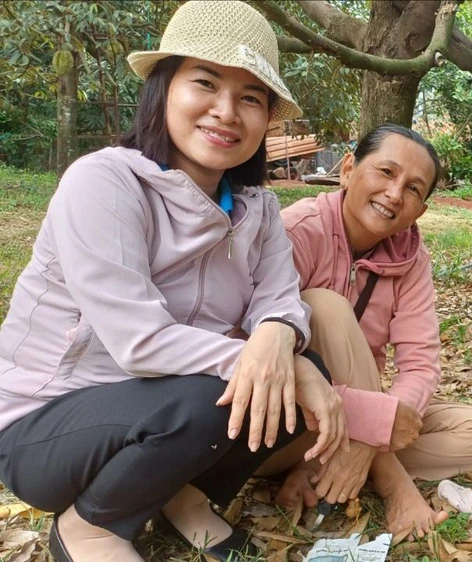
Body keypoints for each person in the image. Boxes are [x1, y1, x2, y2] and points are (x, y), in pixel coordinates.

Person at [0, 2, 347, 561]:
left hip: (165, 406)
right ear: (163, 88)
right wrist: (266, 362)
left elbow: (281, 299)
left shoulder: (257, 210)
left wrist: (282, 341)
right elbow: (138, 342)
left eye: (251, 97)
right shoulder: (105, 182)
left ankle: (180, 496)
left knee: (294, 378)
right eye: (205, 83)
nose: (226, 111)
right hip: (48, 425)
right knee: (221, 393)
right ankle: (91, 524)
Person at [257, 124, 472, 540]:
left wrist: (369, 436)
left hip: (353, 415)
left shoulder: (410, 259)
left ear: (422, 209)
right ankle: (390, 481)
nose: (395, 194)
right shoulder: (296, 232)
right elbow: (258, 352)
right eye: (386, 173)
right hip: (285, 420)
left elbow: (420, 367)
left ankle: (322, 464)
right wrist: (375, 422)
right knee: (325, 308)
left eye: (413, 188)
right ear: (349, 169)